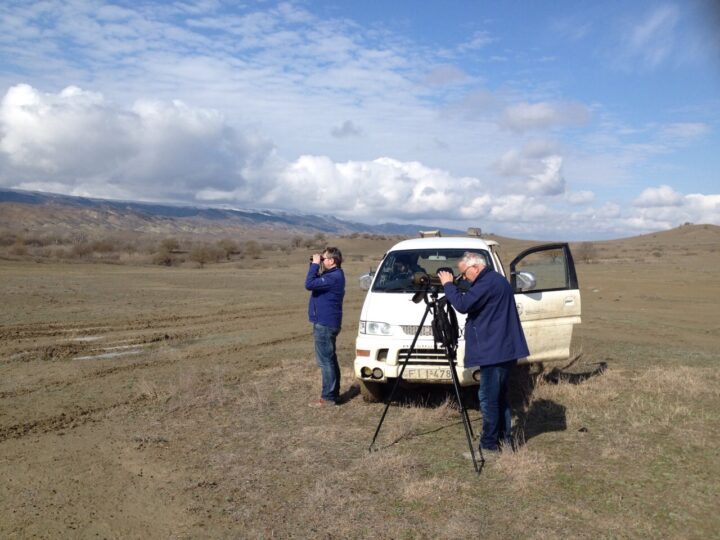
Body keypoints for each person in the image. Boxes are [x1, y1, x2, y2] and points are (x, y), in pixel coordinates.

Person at [438, 252, 529, 456]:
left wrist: (448, 284)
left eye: (464, 274)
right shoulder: (494, 279)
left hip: (495, 352)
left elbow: (462, 305)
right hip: (502, 349)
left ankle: (489, 447)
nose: (464, 278)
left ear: (476, 268)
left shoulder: (487, 283)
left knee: (488, 399)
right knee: (499, 398)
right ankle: (504, 441)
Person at [305, 246, 346, 407]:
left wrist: (315, 265)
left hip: (325, 324)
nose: (321, 261)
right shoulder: (333, 275)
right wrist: (313, 265)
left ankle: (328, 397)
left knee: (325, 362)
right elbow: (315, 283)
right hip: (328, 322)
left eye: (324, 259)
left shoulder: (333, 277)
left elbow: (309, 284)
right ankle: (333, 394)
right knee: (330, 360)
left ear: (332, 261)